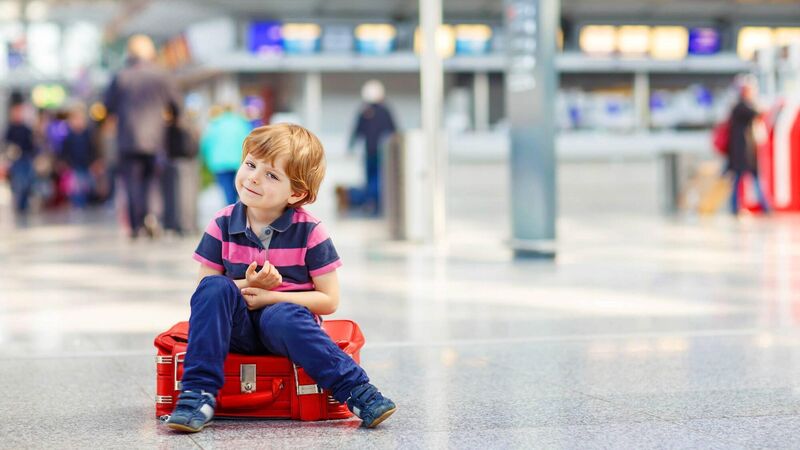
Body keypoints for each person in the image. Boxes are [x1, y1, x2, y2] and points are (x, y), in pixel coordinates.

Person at [164, 123, 396, 433]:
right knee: (215, 287)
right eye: (250, 164)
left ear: (296, 193)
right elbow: (204, 292)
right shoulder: (221, 223)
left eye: (271, 175)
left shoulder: (310, 231)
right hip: (235, 330)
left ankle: (357, 391)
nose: (253, 177)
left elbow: (329, 300)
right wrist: (250, 285)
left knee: (282, 316)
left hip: (286, 329)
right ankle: (198, 395)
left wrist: (272, 296)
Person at [104, 34, 181, 238]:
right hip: (155, 139)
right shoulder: (161, 76)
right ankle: (153, 217)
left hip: (127, 139)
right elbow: (176, 106)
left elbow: (106, 106)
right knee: (153, 180)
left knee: (131, 182)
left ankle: (136, 224)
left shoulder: (121, 77)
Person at [341, 80, 397, 215]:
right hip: (380, 153)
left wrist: (350, 147)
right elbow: (393, 131)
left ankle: (372, 204)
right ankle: (377, 206)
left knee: (372, 180)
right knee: (378, 180)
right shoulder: (385, 111)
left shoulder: (365, 111)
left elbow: (356, 131)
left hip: (371, 152)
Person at [727, 81, 770, 215]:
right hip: (743, 152)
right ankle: (763, 206)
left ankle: (761, 206)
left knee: (743, 179)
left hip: (742, 151)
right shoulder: (742, 107)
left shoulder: (737, 107)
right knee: (747, 178)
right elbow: (758, 112)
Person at [199, 105, 252, 205]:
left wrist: (206, 160)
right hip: (238, 162)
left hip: (220, 163)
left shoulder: (215, 124)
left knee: (227, 190)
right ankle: (241, 208)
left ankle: (232, 209)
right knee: (241, 188)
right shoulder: (240, 123)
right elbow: (249, 141)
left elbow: (206, 144)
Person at [3, 92, 35, 214]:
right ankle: (19, 205)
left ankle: (24, 205)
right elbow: (6, 144)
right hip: (16, 160)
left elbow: (32, 145)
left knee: (27, 182)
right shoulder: (10, 128)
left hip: (26, 158)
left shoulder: (26, 128)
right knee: (18, 183)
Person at [61, 103, 95, 208]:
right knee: (75, 187)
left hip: (86, 164)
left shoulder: (87, 134)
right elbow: (65, 151)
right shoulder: (69, 136)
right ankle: (77, 204)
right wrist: (65, 162)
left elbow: (92, 149)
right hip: (74, 165)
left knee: (86, 186)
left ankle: (84, 203)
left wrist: (93, 161)